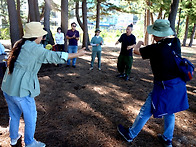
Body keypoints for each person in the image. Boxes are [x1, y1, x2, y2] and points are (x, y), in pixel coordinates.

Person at [1, 22, 85, 147]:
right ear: (36, 36)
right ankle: (29, 143)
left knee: (14, 115)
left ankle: (13, 138)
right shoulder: (36, 49)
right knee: (31, 117)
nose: (43, 37)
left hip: (8, 86)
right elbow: (54, 57)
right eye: (41, 35)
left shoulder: (19, 43)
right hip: (21, 89)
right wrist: (77, 54)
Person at [117, 19, 189, 147]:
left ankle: (130, 134)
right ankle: (167, 139)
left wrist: (138, 43)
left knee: (146, 111)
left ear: (158, 34)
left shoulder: (156, 48)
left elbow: (136, 51)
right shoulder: (176, 42)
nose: (152, 35)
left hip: (163, 86)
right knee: (170, 111)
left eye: (154, 33)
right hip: (178, 84)